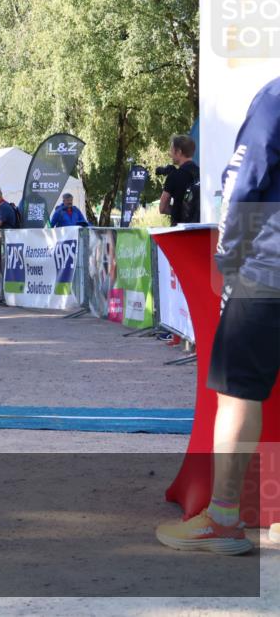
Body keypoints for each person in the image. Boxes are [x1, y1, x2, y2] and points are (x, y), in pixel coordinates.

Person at [156, 77, 280, 555]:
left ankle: (224, 518)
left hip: (267, 269)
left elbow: (244, 180)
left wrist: (227, 257)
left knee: (236, 394)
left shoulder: (274, 98)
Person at [159, 134, 200, 226]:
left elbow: (162, 208)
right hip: (200, 229)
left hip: (179, 231)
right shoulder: (201, 173)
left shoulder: (174, 176)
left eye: (172, 150)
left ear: (179, 152)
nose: (170, 154)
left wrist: (178, 211)